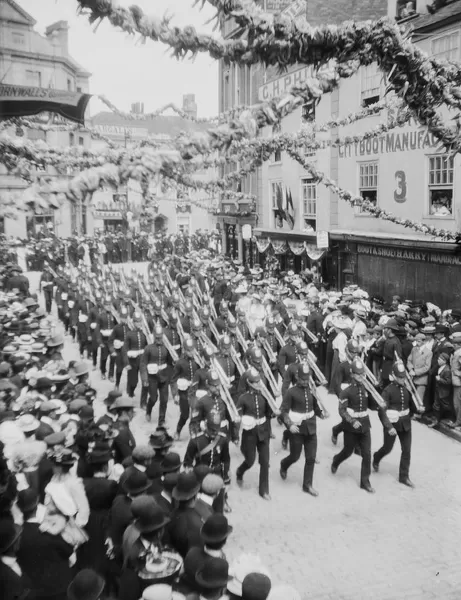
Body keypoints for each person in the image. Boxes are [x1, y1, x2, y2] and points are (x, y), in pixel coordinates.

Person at [331, 358, 392, 493]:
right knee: (347, 451)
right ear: (352, 374)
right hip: (351, 426)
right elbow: (342, 410)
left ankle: (365, 482)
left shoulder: (366, 388)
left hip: (365, 425)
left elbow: (370, 404)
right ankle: (336, 460)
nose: (360, 377)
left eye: (362, 374)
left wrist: (379, 405)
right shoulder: (346, 391)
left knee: (367, 454)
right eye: (358, 374)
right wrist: (352, 421)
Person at [279, 364, 328, 496]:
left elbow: (315, 406)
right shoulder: (291, 392)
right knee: (295, 456)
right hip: (297, 429)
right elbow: (283, 411)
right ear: (297, 377)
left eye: (307, 379)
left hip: (311, 427)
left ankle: (307, 485)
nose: (306, 381)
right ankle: (284, 464)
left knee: (311, 458)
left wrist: (321, 414)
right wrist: (289, 425)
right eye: (303, 379)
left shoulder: (311, 389)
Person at [373, 362, 421, 488]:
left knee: (407, 450)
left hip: (405, 424)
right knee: (387, 448)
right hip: (392, 424)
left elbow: (411, 406)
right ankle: (377, 457)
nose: (402, 379)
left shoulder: (407, 389)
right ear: (393, 375)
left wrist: (418, 409)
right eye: (399, 377)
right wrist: (388, 427)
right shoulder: (387, 391)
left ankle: (404, 477)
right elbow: (381, 411)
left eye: (403, 377)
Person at [236, 368, 272, 501]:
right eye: (255, 382)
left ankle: (264, 490)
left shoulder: (264, 395)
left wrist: (274, 413)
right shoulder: (243, 398)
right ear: (249, 383)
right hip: (250, 434)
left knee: (265, 461)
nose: (258, 384)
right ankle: (240, 471)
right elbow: (237, 417)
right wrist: (236, 434)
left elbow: (269, 413)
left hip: (263, 431)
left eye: (259, 381)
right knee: (250, 461)